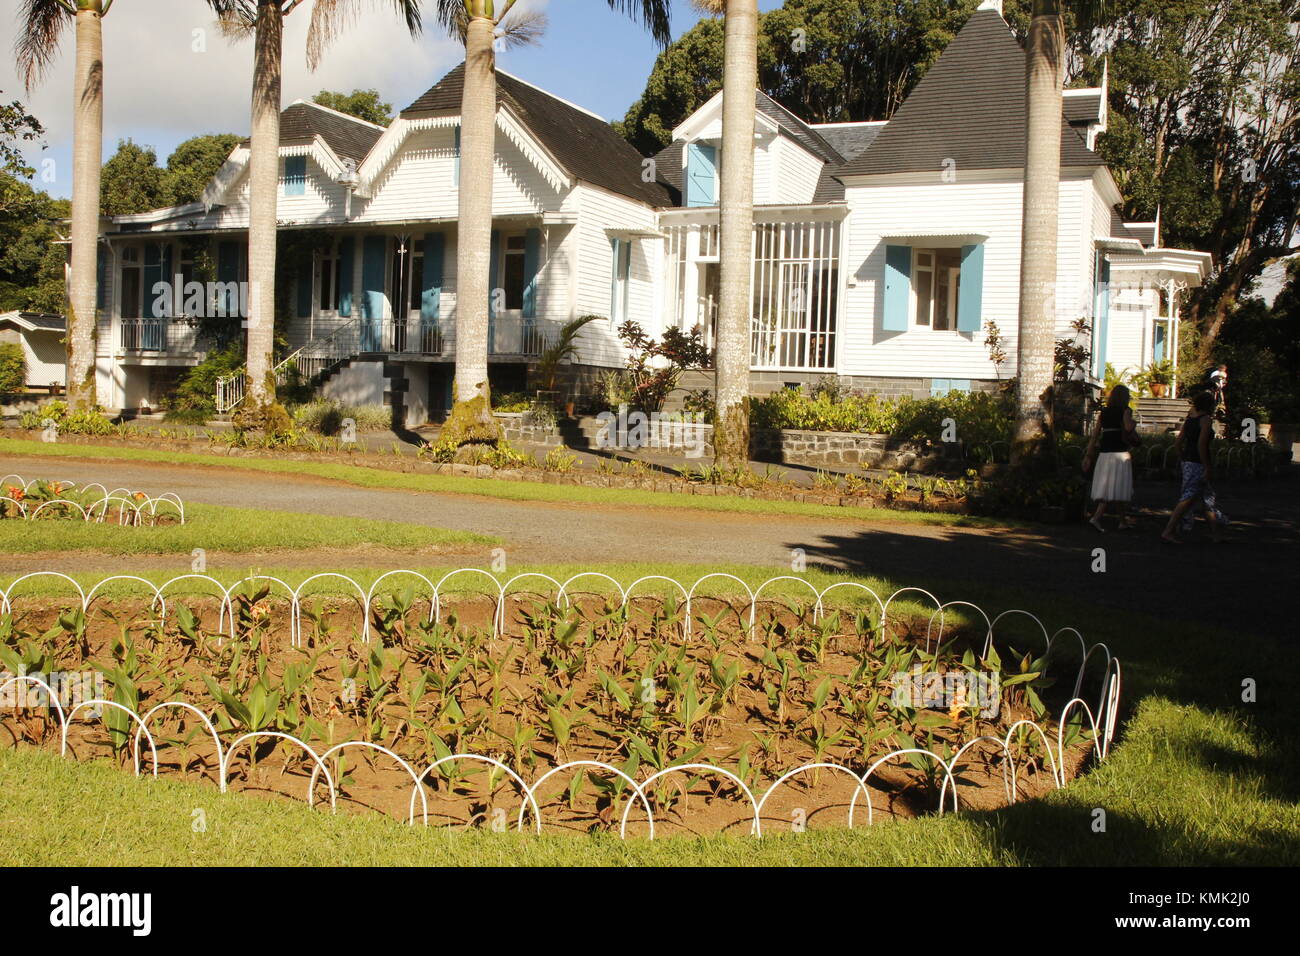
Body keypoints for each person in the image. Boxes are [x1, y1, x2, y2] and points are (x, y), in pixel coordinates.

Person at [1162, 391, 1227, 544]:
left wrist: (1182, 457)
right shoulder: (1205, 420)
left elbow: (1178, 443)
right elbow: (1202, 444)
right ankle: (1169, 529)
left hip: (1188, 460)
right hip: (1198, 461)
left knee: (1206, 498)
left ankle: (1215, 534)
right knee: (1188, 497)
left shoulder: (1190, 419)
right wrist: (1207, 466)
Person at [1082, 384, 1139, 532]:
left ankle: (1122, 521)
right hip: (1119, 453)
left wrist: (1088, 455)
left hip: (1104, 453)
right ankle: (1096, 517)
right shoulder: (1125, 411)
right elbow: (1127, 427)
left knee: (1114, 486)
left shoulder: (1104, 413)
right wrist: (1133, 423)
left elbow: (1094, 436)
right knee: (1114, 486)